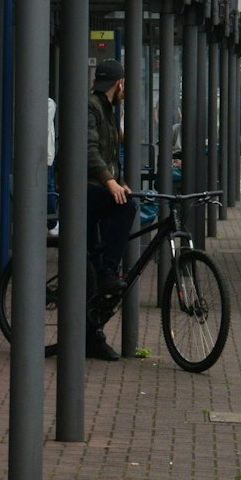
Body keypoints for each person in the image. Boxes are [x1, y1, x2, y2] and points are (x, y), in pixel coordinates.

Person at [85, 58, 133, 360]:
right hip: (86, 187)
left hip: (97, 185)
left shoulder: (107, 109)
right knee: (127, 208)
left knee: (126, 204)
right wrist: (111, 183)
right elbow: (89, 148)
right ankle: (107, 272)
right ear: (119, 84)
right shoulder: (91, 107)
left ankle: (92, 334)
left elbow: (108, 150)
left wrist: (120, 181)